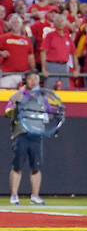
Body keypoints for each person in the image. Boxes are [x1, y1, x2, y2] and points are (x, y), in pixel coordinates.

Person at [5, 72, 46, 205]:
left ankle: (35, 195)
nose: (33, 81)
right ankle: (14, 195)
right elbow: (7, 112)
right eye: (30, 78)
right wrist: (15, 108)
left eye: (36, 78)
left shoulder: (42, 97)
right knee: (17, 166)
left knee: (36, 166)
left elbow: (48, 112)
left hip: (36, 133)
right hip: (21, 133)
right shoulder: (17, 95)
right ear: (25, 81)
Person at [0, 14, 36, 89]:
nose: (16, 24)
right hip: (7, 75)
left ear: (21, 25)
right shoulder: (3, 38)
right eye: (13, 22)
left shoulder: (27, 40)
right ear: (10, 25)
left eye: (17, 22)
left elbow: (31, 56)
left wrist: (33, 70)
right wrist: (1, 53)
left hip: (23, 75)